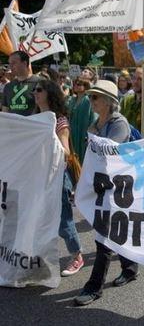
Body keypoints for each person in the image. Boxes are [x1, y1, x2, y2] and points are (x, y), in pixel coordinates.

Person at [74, 80, 137, 306]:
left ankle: (94, 287)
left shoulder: (120, 124)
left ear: (109, 102)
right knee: (114, 231)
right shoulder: (95, 124)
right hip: (102, 186)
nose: (92, 101)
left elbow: (111, 151)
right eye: (91, 97)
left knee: (103, 237)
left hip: (119, 188)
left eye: (96, 97)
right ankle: (130, 268)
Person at [34, 79, 84, 277]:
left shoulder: (59, 120)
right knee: (40, 218)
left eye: (39, 90)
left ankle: (77, 256)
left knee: (64, 220)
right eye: (34, 90)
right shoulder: (35, 118)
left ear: (50, 94)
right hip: (39, 176)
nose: (35, 93)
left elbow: (65, 151)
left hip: (58, 175)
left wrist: (49, 137)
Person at [67, 77, 97, 163]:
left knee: (83, 156)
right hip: (73, 132)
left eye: (79, 84)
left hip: (83, 131)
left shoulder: (88, 100)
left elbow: (92, 117)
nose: (76, 85)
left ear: (86, 86)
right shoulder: (73, 99)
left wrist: (90, 133)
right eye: (75, 83)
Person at [1, 51, 41, 115]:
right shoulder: (8, 86)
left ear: (24, 63)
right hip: (12, 124)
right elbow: (5, 112)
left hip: (33, 124)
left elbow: (47, 110)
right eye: (9, 63)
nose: (10, 66)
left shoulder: (40, 83)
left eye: (14, 63)